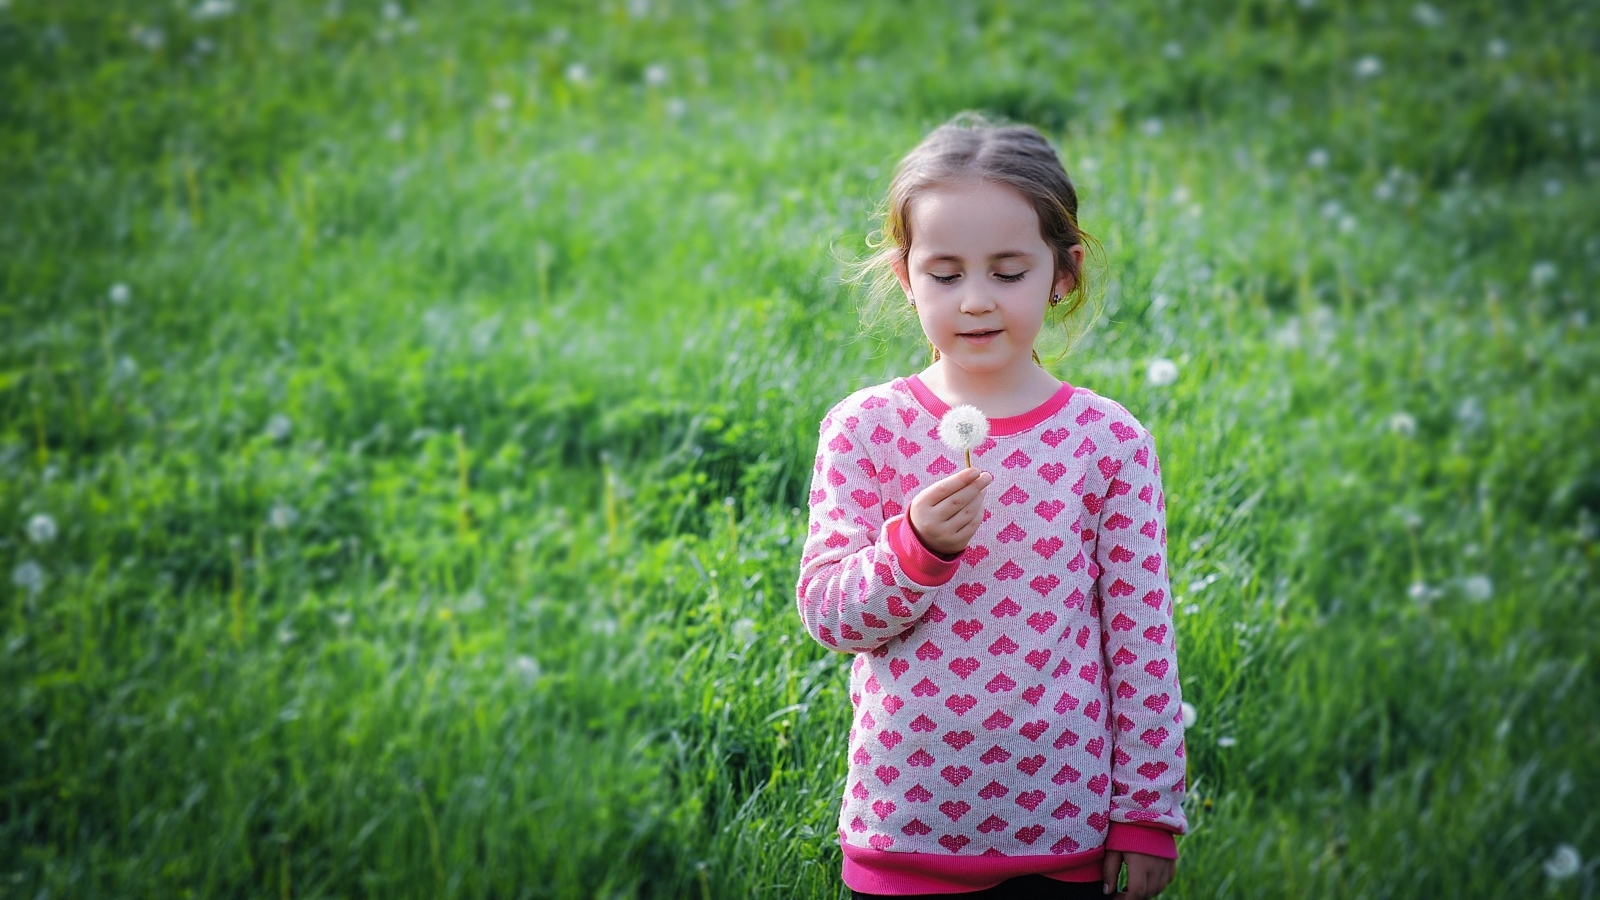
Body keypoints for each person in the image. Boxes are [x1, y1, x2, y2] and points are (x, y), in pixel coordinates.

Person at [796, 114, 1187, 900]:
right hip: (904, 824)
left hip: (1064, 830)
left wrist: (1147, 813)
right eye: (946, 275)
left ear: (1064, 272)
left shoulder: (1107, 441)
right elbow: (831, 617)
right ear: (906, 277)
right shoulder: (866, 429)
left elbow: (1141, 640)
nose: (976, 301)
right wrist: (914, 550)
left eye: (1008, 273)